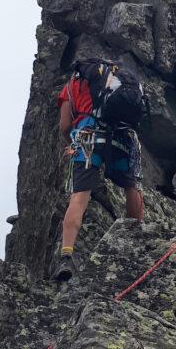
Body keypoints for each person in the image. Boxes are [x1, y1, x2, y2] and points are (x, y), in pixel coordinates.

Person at [54, 69, 143, 282]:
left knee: (79, 197)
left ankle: (66, 256)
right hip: (122, 136)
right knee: (131, 187)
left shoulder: (72, 85)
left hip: (88, 137)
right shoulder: (120, 80)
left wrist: (71, 144)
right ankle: (138, 240)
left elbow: (65, 126)